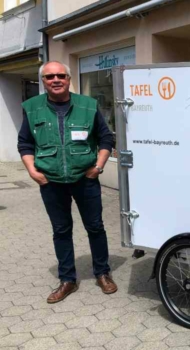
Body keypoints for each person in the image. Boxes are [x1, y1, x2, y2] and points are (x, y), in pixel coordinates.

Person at [17, 61, 118, 303]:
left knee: (95, 227)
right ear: (43, 81)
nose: (55, 80)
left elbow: (105, 139)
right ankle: (67, 280)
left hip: (85, 178)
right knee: (61, 230)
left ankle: (102, 273)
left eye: (60, 75)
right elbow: (25, 143)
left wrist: (98, 167)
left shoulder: (87, 105)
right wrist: (32, 171)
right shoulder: (31, 108)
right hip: (50, 181)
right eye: (49, 76)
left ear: (69, 78)